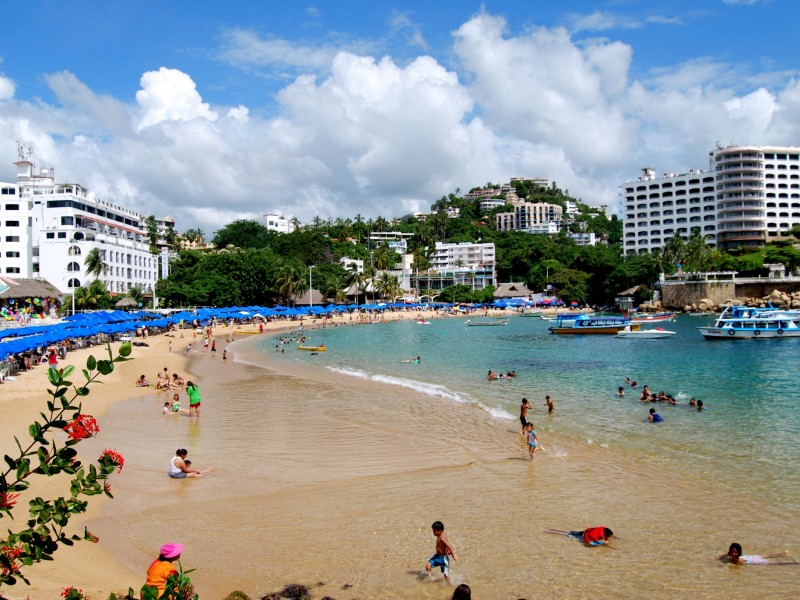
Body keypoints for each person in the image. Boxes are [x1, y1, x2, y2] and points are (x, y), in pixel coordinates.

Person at [718, 543, 799, 565]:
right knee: (766, 555)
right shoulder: (731, 554)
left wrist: (728, 561)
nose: (734, 553)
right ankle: (783, 553)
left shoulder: (739, 559)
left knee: (775, 563)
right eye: (732, 552)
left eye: (735, 552)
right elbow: (724, 556)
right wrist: (721, 557)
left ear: (739, 552)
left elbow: (738, 564)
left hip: (756, 561)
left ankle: (794, 562)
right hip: (753, 557)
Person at [547, 527, 614, 546]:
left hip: (587, 530)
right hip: (585, 535)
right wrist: (603, 542)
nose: (610, 538)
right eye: (609, 536)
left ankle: (550, 530)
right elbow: (589, 541)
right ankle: (552, 532)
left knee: (574, 533)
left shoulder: (603, 529)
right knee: (570, 535)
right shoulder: (598, 535)